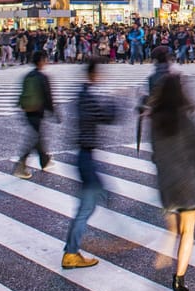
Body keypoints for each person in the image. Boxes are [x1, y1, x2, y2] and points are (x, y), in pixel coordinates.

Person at [149, 71, 195, 291]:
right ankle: (179, 279)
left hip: (166, 183)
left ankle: (165, 250)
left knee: (174, 228)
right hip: (188, 182)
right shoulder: (186, 120)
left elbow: (155, 155)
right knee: (188, 232)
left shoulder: (155, 121)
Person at [63, 57, 119, 269]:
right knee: (86, 207)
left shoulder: (81, 95)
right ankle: (71, 253)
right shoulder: (87, 97)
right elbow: (108, 117)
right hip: (85, 157)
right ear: (94, 74)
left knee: (93, 198)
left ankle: (71, 249)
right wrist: (115, 101)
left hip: (84, 156)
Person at [14, 50, 56, 179]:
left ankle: (44, 161)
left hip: (28, 110)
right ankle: (21, 164)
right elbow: (48, 96)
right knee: (35, 139)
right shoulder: (42, 77)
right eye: (45, 59)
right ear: (41, 61)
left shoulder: (29, 75)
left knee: (37, 136)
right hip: (38, 110)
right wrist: (53, 111)